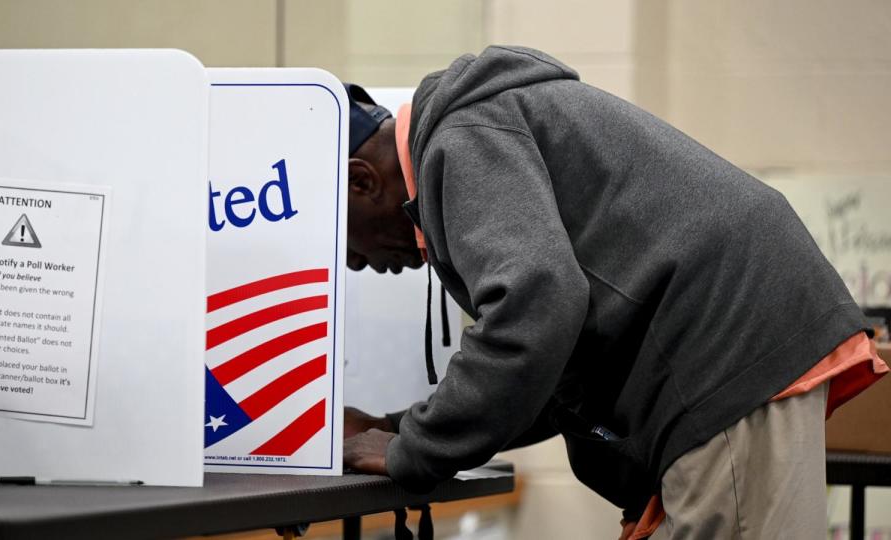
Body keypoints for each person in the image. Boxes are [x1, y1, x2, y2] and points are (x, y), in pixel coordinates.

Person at [341, 46, 887, 539]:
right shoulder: (481, 126)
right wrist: (399, 429)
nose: (360, 264)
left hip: (723, 356)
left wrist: (415, 448)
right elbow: (547, 368)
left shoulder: (460, 140)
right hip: (734, 349)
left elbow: (533, 311)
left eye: (347, 245)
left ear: (363, 180)